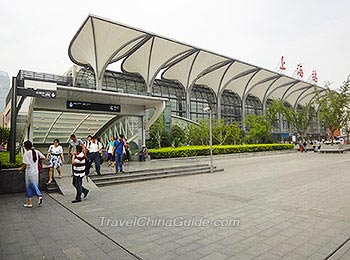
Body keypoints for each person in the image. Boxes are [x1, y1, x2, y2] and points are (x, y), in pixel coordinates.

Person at [18, 141, 45, 208]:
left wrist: (21, 169)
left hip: (29, 173)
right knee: (33, 185)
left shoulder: (26, 153)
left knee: (29, 186)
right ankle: (30, 202)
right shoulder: (36, 151)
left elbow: (25, 164)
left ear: (26, 147)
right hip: (36, 172)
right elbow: (43, 157)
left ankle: (38, 196)